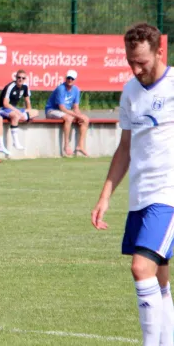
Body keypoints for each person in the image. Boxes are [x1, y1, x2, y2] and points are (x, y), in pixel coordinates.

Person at [91, 22, 174, 346]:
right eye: (130, 62)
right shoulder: (130, 91)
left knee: (141, 269)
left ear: (159, 51)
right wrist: (105, 197)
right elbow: (125, 148)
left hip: (168, 196)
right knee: (160, 279)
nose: (136, 69)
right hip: (140, 198)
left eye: (142, 61)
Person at [45, 69, 90, 157]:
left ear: (74, 80)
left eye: (72, 79)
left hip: (66, 112)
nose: (70, 80)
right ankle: (66, 146)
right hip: (52, 110)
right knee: (68, 118)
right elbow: (62, 108)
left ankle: (80, 146)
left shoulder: (76, 90)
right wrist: (76, 115)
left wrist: (80, 116)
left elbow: (76, 107)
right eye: (68, 78)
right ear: (66, 78)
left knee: (85, 119)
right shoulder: (61, 89)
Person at [0, 70, 39, 150]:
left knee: (35, 112)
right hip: (3, 109)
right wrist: (18, 111)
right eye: (19, 77)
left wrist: (29, 113)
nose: (20, 79)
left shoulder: (25, 87)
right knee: (16, 116)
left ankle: (21, 117)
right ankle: (15, 142)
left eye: (23, 78)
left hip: (13, 110)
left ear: (25, 79)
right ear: (16, 78)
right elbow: (5, 103)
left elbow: (27, 101)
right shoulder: (10, 86)